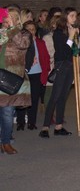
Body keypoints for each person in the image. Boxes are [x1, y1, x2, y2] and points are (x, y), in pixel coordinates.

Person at [40, 8, 79, 138]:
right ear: (66, 17)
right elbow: (62, 51)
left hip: (70, 66)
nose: (75, 18)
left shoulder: (73, 30)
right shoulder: (58, 32)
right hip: (61, 65)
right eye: (72, 16)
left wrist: (76, 41)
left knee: (63, 96)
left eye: (75, 16)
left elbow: (75, 51)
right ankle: (45, 127)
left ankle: (59, 126)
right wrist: (71, 36)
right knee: (55, 96)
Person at [0, 8, 31, 154]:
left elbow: (23, 44)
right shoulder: (1, 33)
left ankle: (5, 142)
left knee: (7, 113)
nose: (6, 19)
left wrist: (12, 29)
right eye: (5, 17)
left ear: (16, 19)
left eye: (10, 17)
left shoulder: (23, 34)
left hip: (9, 80)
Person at [16, 20, 50, 130]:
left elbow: (45, 57)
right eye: (29, 29)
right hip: (23, 73)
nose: (31, 31)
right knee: (21, 98)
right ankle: (20, 122)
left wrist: (45, 71)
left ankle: (32, 122)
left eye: (33, 29)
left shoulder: (40, 42)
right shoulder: (20, 42)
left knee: (34, 99)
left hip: (36, 73)